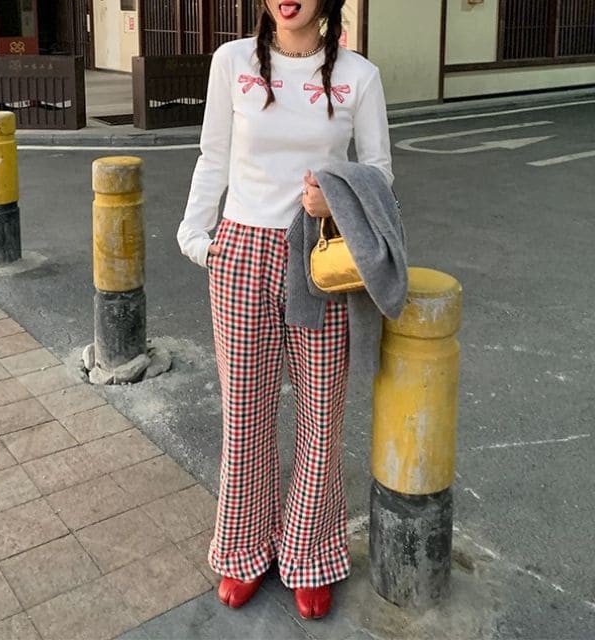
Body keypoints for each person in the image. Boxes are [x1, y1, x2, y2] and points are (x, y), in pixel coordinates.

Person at [177, 0, 393, 620]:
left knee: (322, 414)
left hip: (320, 255)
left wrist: (337, 198)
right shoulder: (232, 61)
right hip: (242, 250)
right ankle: (244, 548)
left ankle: (309, 553)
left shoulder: (359, 75)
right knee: (245, 414)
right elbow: (213, 155)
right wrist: (197, 236)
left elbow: (380, 172)